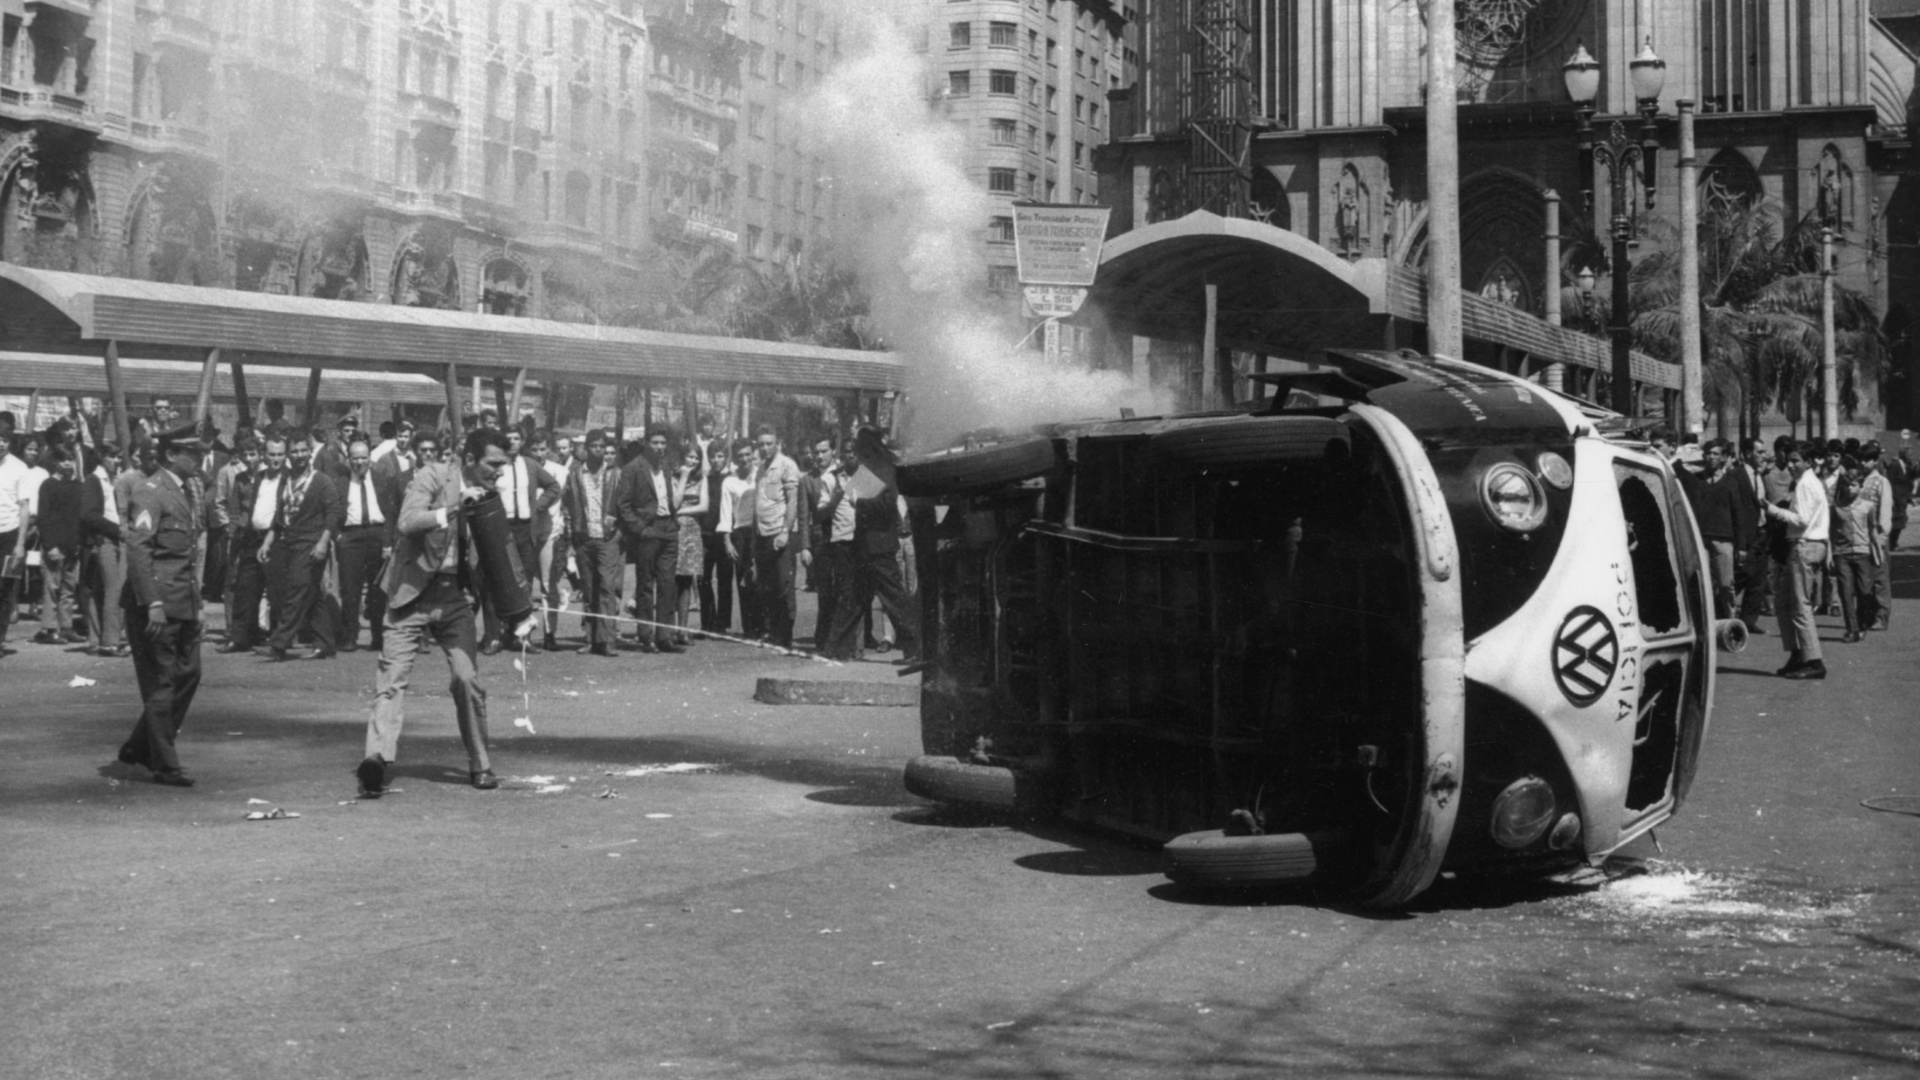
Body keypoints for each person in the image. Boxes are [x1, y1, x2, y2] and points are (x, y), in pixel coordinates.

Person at [356, 428, 536, 798]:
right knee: (392, 680)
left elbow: (500, 557)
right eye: (493, 464)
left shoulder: (490, 497)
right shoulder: (433, 476)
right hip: (409, 594)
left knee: (466, 679)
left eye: (504, 464)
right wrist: (455, 507)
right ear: (469, 460)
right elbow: (407, 522)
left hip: (455, 598)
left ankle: (480, 764)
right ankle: (375, 760)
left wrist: (520, 611)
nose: (500, 471)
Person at [116, 425, 211, 787]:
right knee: (163, 683)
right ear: (171, 455)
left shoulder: (184, 491)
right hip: (156, 604)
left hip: (182, 601)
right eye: (192, 453)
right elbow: (139, 550)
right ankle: (165, 764)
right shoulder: (150, 492)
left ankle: (141, 745)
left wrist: (197, 605)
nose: (199, 458)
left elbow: (187, 555)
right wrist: (152, 602)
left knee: (190, 673)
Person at [829, 428, 920, 662]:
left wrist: (858, 500)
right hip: (869, 545)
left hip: (877, 546)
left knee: (889, 599)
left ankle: (916, 648)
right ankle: (837, 650)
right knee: (858, 598)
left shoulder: (880, 469)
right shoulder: (878, 468)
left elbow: (887, 506)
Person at [257, 433, 343, 660]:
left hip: (311, 542)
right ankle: (325, 643)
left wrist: (323, 542)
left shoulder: (322, 481)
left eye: (303, 450)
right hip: (288, 541)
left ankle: (279, 643)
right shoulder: (285, 480)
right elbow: (279, 516)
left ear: (310, 452)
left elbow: (333, 513)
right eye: (294, 451)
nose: (299, 455)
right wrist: (267, 541)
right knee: (310, 592)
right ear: (288, 454)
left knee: (297, 590)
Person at [485, 426, 559, 654]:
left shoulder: (529, 464)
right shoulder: (494, 464)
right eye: (508, 438)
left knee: (524, 584)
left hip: (526, 530)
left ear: (522, 441)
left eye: (517, 438)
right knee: (497, 583)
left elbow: (553, 486)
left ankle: (522, 636)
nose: (513, 442)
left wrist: (537, 507)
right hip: (501, 528)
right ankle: (494, 637)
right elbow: (483, 489)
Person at [1764, 441, 1830, 680]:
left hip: (1804, 545)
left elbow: (1802, 519)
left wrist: (1771, 509)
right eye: (1789, 460)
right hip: (1806, 545)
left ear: (1808, 462)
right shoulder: (1806, 482)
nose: (1791, 465)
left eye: (1796, 461)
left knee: (1800, 605)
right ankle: (1797, 654)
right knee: (1783, 603)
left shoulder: (1805, 484)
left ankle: (1814, 661)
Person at [616, 427, 684, 653]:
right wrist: (640, 529)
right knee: (645, 584)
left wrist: (673, 522)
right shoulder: (632, 468)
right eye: (655, 443)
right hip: (648, 530)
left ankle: (665, 636)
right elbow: (623, 505)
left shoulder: (665, 466)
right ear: (646, 443)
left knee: (668, 584)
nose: (660, 447)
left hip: (669, 528)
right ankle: (646, 636)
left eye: (663, 443)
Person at [563, 428, 624, 657]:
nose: (598, 450)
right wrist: (572, 537)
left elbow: (624, 505)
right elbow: (568, 506)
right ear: (586, 448)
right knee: (589, 590)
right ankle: (590, 639)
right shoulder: (576, 474)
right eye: (594, 446)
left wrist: (618, 531)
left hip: (607, 538)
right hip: (584, 538)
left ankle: (607, 641)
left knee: (607, 589)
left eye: (601, 446)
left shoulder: (616, 474)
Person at [335, 437, 396, 652]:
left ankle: (378, 637)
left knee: (378, 590)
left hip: (377, 535)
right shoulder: (340, 482)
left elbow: (390, 513)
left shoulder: (382, 479)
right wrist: (338, 537)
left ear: (370, 457)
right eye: (355, 458)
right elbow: (332, 511)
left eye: (363, 457)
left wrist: (388, 542)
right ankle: (350, 636)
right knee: (350, 589)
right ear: (348, 459)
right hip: (350, 537)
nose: (360, 462)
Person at [747, 425, 801, 648]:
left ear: (777, 443)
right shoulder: (761, 468)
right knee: (767, 586)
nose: (765, 448)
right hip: (762, 534)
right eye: (761, 444)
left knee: (784, 586)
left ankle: (785, 636)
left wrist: (785, 531)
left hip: (779, 533)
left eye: (769, 443)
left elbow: (793, 501)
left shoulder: (787, 465)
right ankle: (771, 632)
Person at [30, 446, 85, 644]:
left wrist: (78, 542)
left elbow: (79, 517)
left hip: (72, 545)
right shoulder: (48, 485)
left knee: (69, 588)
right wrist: (50, 545)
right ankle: (49, 628)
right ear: (55, 462)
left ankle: (66, 627)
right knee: (52, 587)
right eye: (63, 460)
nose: (67, 463)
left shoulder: (77, 485)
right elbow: (43, 518)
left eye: (70, 459)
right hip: (54, 545)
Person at [1829, 457, 1886, 644]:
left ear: (1860, 486)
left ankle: (1862, 624)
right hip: (1842, 553)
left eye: (1853, 485)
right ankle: (1851, 629)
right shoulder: (1837, 508)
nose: (1850, 489)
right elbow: (1831, 532)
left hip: (1863, 553)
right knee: (1846, 592)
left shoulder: (1868, 507)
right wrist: (1830, 554)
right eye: (1846, 485)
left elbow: (1872, 530)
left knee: (1864, 591)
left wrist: (1878, 551)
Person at [79, 441, 128, 658]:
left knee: (100, 590)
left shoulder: (112, 480)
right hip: (104, 540)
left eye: (119, 457)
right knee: (113, 590)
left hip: (111, 539)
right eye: (112, 457)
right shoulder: (94, 480)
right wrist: (117, 530)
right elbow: (89, 515)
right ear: (102, 458)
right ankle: (110, 642)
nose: (116, 461)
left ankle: (95, 640)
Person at [715, 440, 759, 639]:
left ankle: (764, 627)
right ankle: (750, 628)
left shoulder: (761, 475)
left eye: (748, 454)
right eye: (740, 455)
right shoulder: (729, 482)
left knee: (761, 577)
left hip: (761, 531)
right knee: (744, 580)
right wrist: (727, 541)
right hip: (740, 534)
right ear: (735, 458)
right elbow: (725, 514)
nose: (745, 459)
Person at [533, 429, 572, 651]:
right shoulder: (524, 468)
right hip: (525, 533)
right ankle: (521, 632)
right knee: (523, 585)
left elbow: (558, 499)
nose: (539, 454)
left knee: (549, 585)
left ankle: (550, 633)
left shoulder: (559, 471)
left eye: (542, 449)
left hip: (549, 532)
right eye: (534, 449)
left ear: (549, 449)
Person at [798, 436, 839, 646]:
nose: (820, 456)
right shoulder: (807, 480)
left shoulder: (842, 474)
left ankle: (855, 637)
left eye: (824, 451)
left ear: (833, 451)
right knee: (825, 590)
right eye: (817, 452)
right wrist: (805, 547)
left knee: (846, 587)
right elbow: (804, 516)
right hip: (820, 540)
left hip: (844, 537)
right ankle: (823, 637)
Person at [670, 440, 708, 645]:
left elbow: (704, 506)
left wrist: (682, 511)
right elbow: (673, 503)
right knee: (671, 581)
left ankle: (682, 631)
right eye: (690, 456)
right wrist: (684, 477)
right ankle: (668, 630)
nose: (693, 461)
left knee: (685, 581)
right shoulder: (672, 476)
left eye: (696, 458)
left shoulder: (702, 478)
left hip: (692, 531)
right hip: (674, 531)